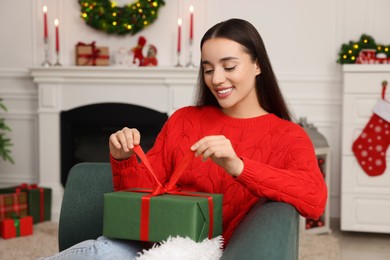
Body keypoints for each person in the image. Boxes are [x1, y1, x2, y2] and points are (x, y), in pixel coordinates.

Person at [41, 18, 327, 260]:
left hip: (198, 253)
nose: (216, 79)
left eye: (229, 66)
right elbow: (143, 198)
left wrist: (238, 166)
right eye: (208, 68)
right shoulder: (184, 119)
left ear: (257, 65)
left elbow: (315, 200)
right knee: (102, 251)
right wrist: (124, 159)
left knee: (102, 252)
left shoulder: (288, 136)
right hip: (146, 244)